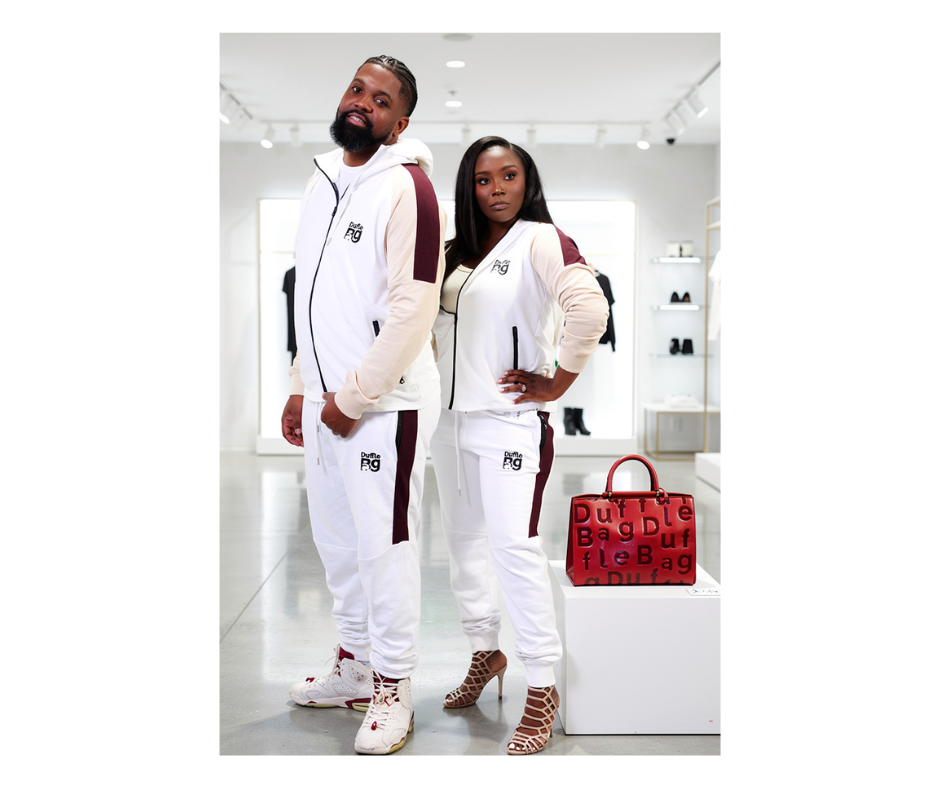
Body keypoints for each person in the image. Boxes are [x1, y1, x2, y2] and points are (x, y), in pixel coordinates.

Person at [280, 55, 446, 756]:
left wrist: (352, 397)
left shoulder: (409, 188)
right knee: (338, 544)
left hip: (385, 405)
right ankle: (353, 665)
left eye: (380, 100)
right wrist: (299, 383)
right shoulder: (322, 179)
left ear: (399, 122)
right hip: (325, 401)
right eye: (357, 89)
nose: (362, 103)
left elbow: (414, 309)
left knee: (385, 548)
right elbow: (314, 298)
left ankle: (393, 685)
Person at [430, 136, 609, 754]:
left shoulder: (542, 239)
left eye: (509, 176)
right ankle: (486, 654)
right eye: (483, 179)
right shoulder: (454, 252)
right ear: (469, 188)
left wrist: (556, 381)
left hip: (510, 423)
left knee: (515, 551)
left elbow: (588, 309)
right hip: (448, 427)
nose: (497, 188)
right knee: (462, 549)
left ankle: (542, 684)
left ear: (527, 181)